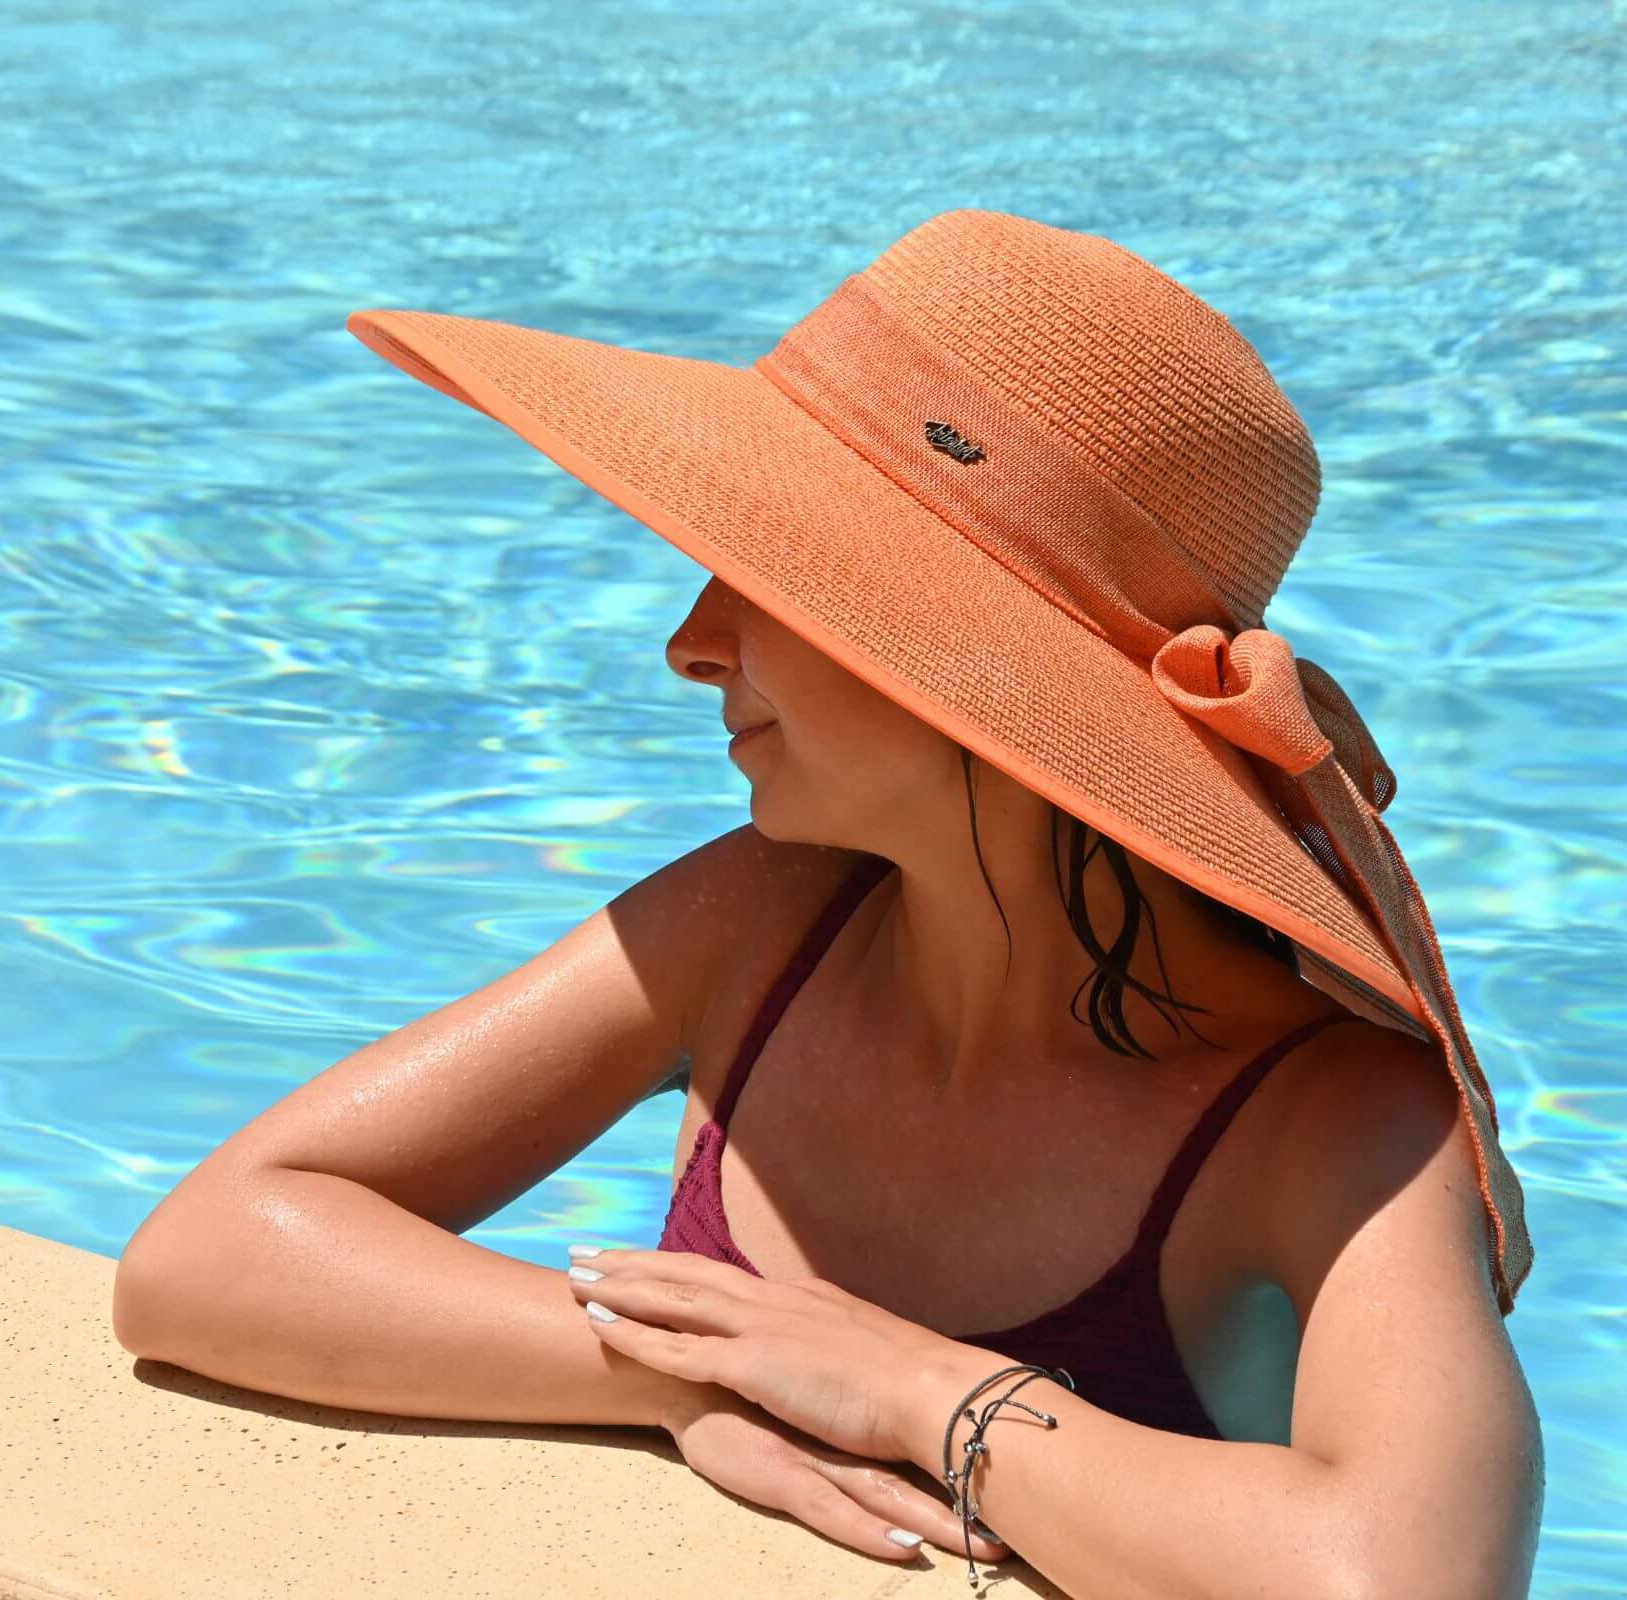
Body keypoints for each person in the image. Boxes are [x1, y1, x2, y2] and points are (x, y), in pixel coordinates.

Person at [112, 210, 1542, 1599]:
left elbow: (1407, 1578)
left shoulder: (1332, 1120)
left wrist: (912, 1388)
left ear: (964, 664)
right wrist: (684, 1376)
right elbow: (204, 1256)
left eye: (778, 570)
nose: (690, 642)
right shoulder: (755, 928)